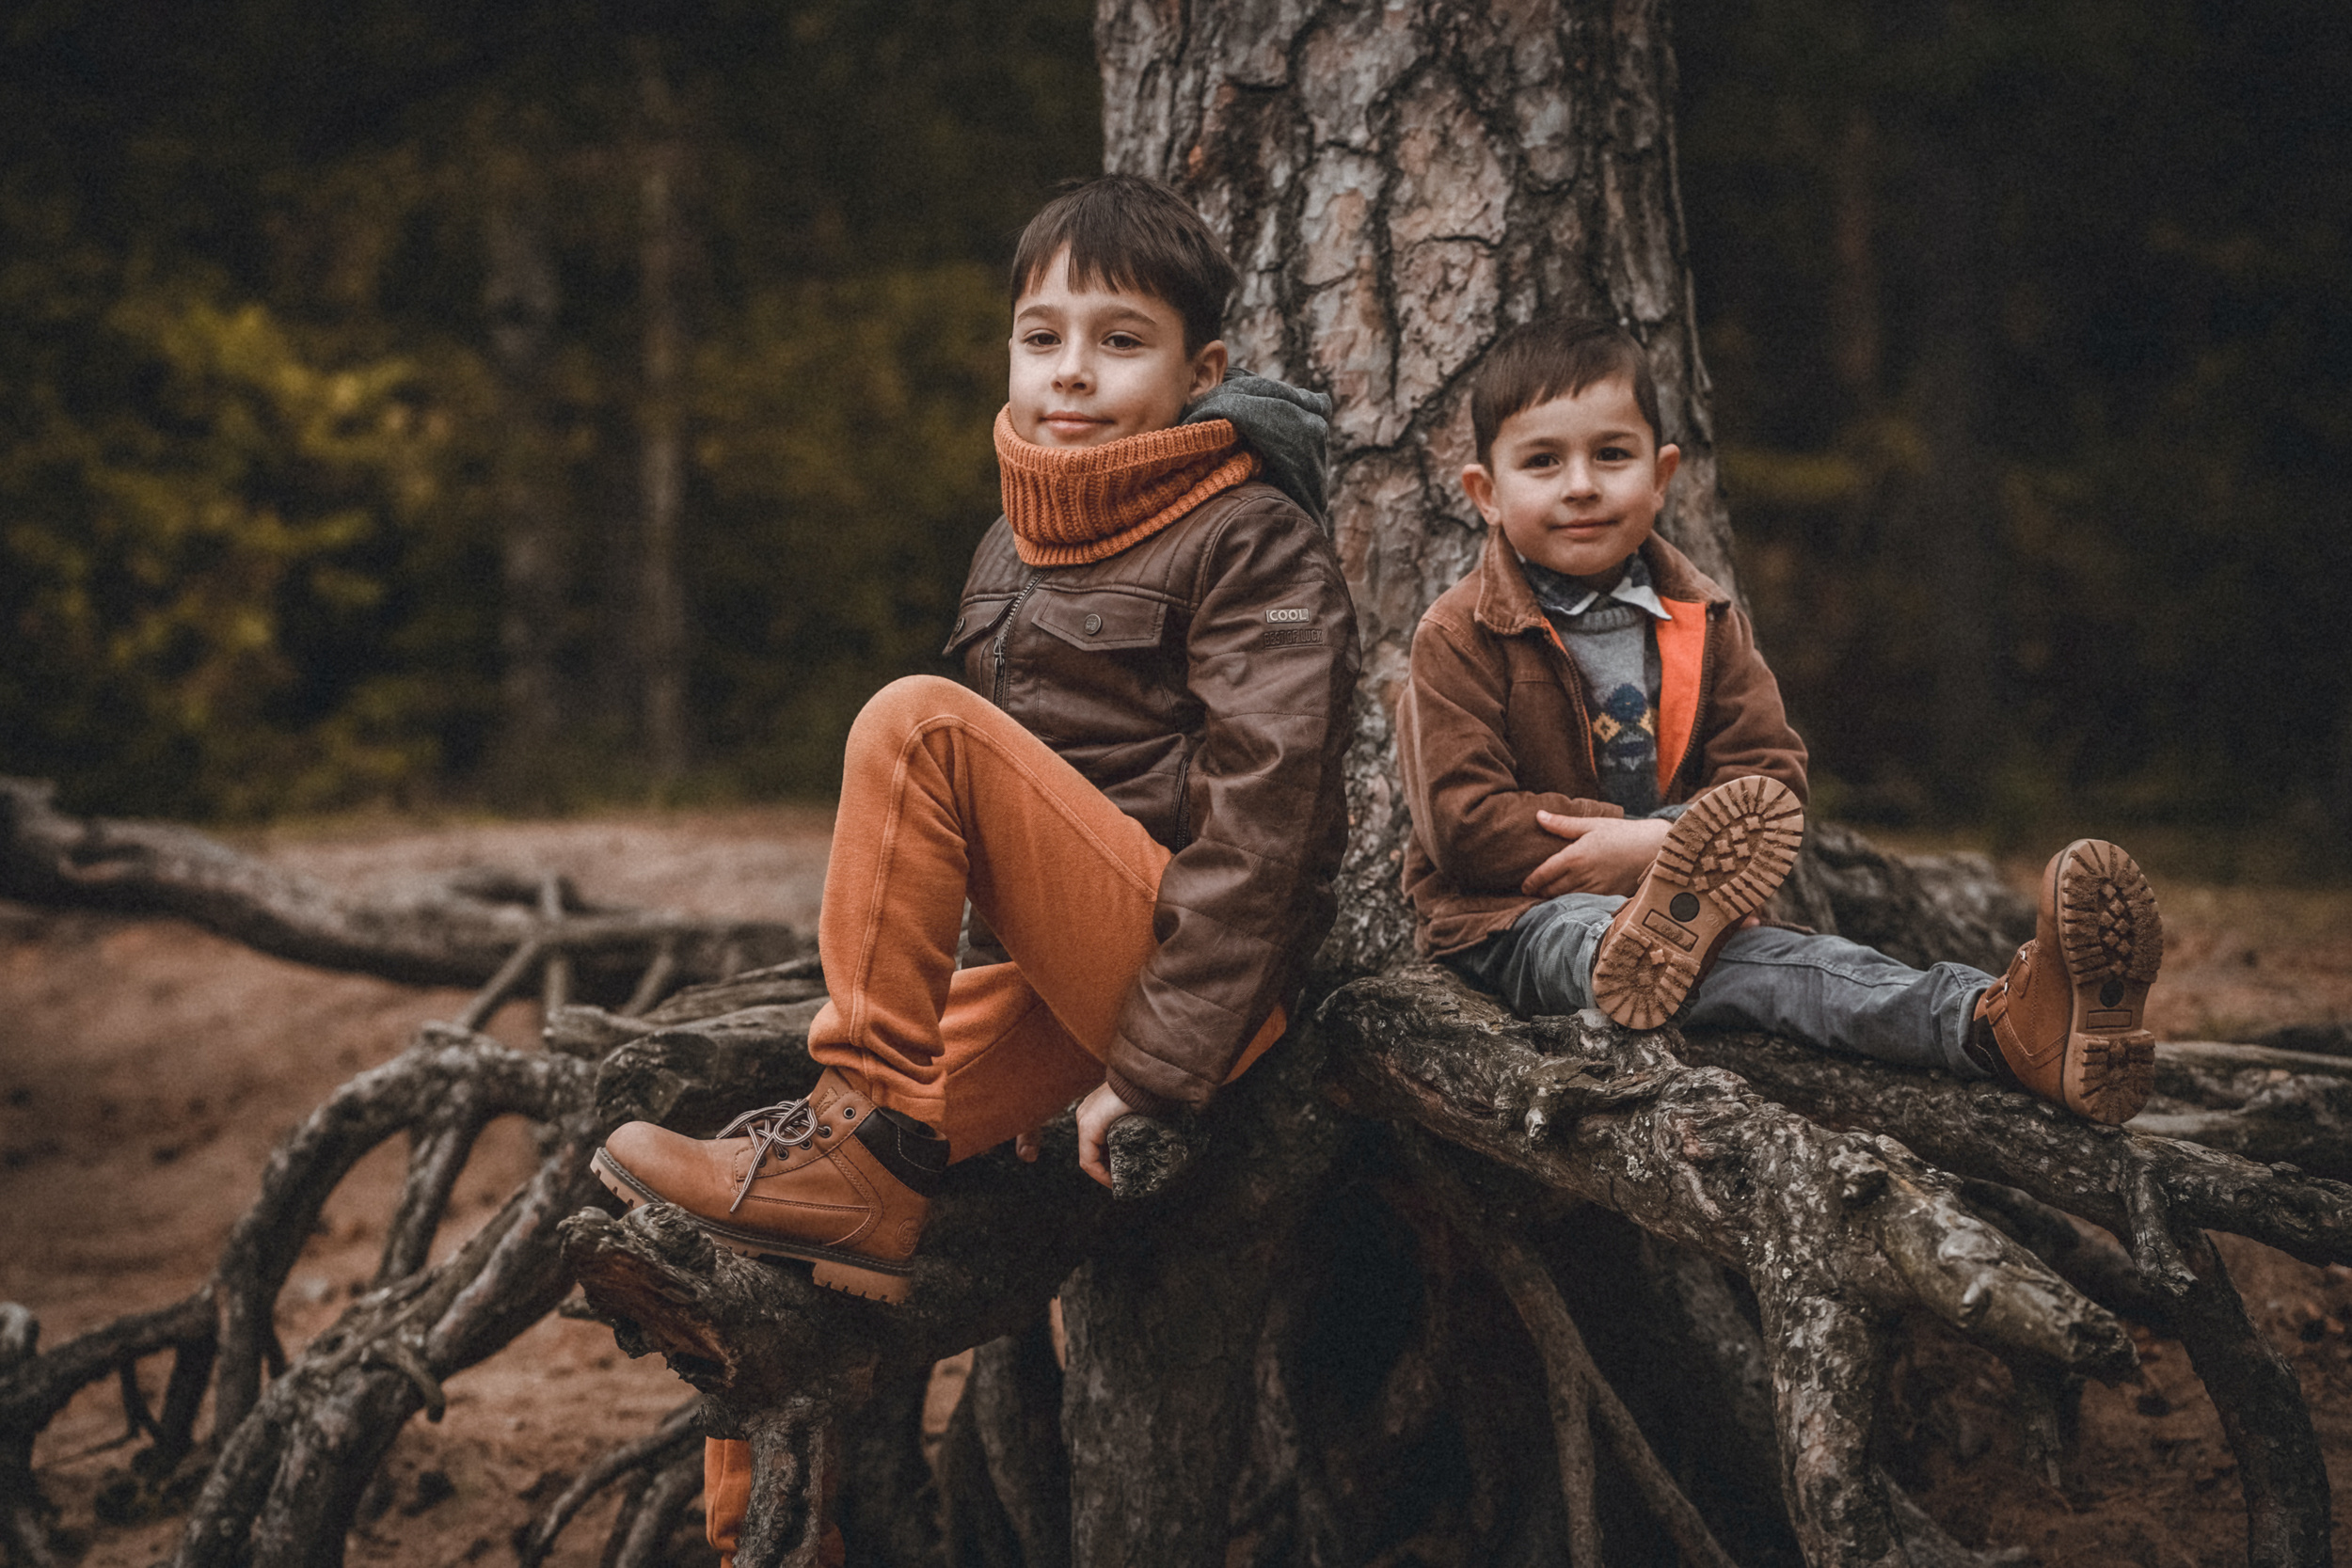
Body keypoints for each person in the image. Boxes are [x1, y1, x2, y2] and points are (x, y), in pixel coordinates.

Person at [592, 175, 1359, 1564]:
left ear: (1204, 373)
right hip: (1058, 986)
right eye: (1042, 334)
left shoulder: (1250, 533)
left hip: (1195, 986)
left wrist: (1161, 1062)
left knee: (915, 719)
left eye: (1120, 341)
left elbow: (1276, 819)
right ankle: (762, 1543)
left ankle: (876, 1135)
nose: (1072, 370)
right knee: (740, 1209)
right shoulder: (1009, 542)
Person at [1397, 314, 2163, 1126]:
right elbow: (1463, 823)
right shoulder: (1459, 636)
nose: (1581, 484)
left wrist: (1666, 850)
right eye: (1544, 461)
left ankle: (1998, 1023)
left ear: (1661, 477)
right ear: (1486, 492)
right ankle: (1646, 946)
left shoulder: (1704, 619)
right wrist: (1651, 846)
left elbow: (1768, 785)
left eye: (1611, 455)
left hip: (1695, 922)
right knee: (1591, 933)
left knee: (1810, 967)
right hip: (1506, 927)